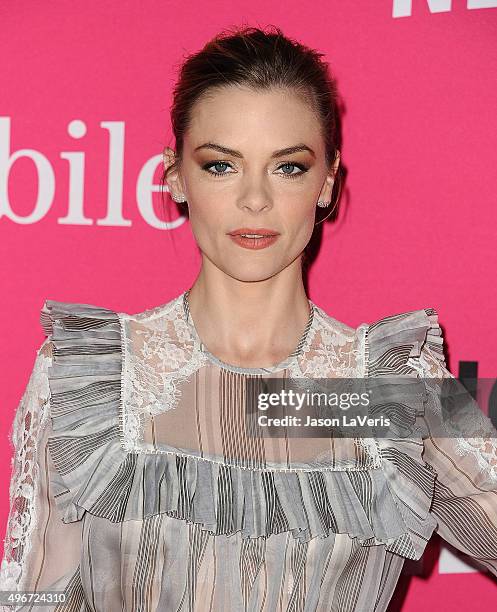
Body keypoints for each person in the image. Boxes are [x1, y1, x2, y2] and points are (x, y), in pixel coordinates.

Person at [1, 25, 497, 612]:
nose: (255, 199)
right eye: (221, 165)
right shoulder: (93, 378)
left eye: (287, 167)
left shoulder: (386, 389)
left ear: (327, 182)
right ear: (176, 174)